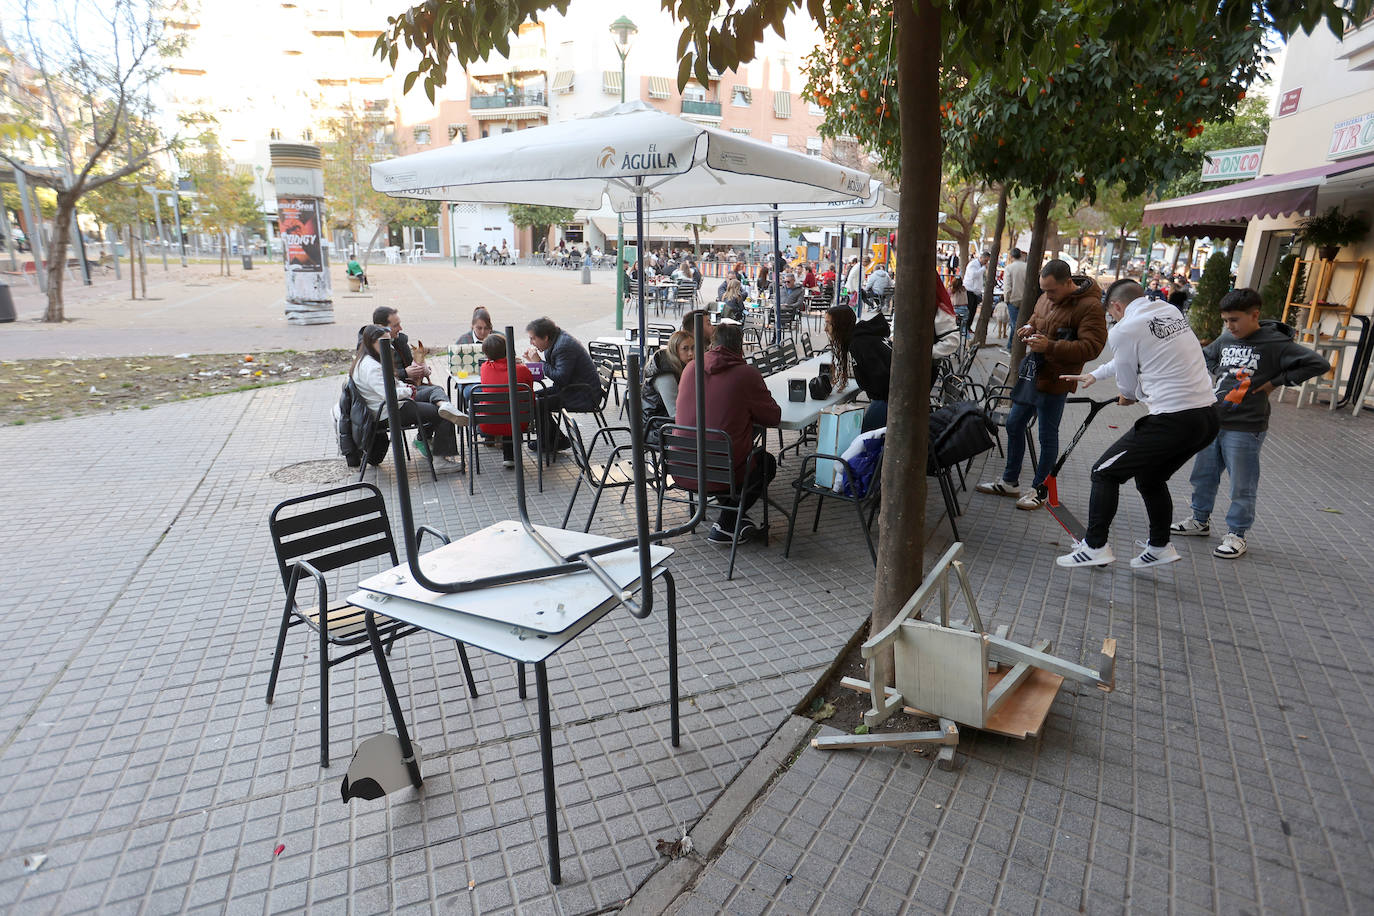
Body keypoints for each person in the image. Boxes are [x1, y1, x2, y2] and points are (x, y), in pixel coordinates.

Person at [1054, 280, 1220, 568]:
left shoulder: (1123, 329)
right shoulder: (1168, 311)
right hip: (1206, 417)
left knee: (1104, 472)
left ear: (1116, 306)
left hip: (1173, 418)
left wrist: (1127, 396)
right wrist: (1096, 374)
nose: (1113, 320)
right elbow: (1139, 354)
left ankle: (1095, 547)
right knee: (1150, 478)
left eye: (1112, 314)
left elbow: (1127, 386)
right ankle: (1159, 547)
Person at [1170, 288, 1331, 559]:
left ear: (1254, 315)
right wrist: (1216, 373)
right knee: (1203, 476)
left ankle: (1237, 534)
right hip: (1213, 420)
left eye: (1234, 320)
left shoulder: (1275, 343)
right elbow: (1206, 356)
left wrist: (1275, 382)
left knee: (1242, 484)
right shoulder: (1225, 338)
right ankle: (1199, 520)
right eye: (1225, 320)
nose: (1229, 326)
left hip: (1246, 427)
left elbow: (1318, 364)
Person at [976, 259, 1108, 510]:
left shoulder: (1090, 306)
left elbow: (1092, 348)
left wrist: (1051, 346)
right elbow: (1038, 316)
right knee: (1014, 424)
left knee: (1047, 436)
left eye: (1052, 290)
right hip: (1033, 375)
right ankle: (1009, 481)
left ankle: (1040, 490)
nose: (1047, 295)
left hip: (1056, 380)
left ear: (1068, 283)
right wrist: (1028, 326)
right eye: (1044, 290)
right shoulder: (1046, 297)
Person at [674, 323, 781, 543]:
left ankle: (735, 521)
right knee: (766, 462)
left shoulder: (691, 368)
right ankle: (728, 522)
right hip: (720, 473)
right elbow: (773, 417)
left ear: (712, 344)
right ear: (740, 347)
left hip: (680, 466)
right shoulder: (746, 374)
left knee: (728, 453)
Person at [351, 324, 465, 460]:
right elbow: (389, 394)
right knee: (442, 415)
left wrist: (405, 387)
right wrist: (408, 390)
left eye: (390, 342)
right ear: (372, 342)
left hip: (394, 403)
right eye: (385, 343)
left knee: (435, 390)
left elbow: (392, 385)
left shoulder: (368, 359)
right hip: (390, 411)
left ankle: (445, 405)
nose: (391, 347)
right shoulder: (371, 367)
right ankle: (441, 459)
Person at [826, 304, 892, 432]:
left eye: (828, 324)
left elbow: (880, 376)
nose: (825, 328)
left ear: (840, 325)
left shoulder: (859, 344)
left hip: (888, 399)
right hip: (889, 397)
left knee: (865, 438)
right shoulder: (864, 338)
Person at [478, 332, 535, 467]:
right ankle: (510, 456)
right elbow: (530, 395)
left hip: (488, 423)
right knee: (513, 410)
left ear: (486, 354)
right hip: (519, 423)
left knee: (503, 409)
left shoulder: (484, 368)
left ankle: (491, 442)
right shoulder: (522, 370)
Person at [371, 306, 447, 407]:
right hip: (396, 399)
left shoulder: (400, 341)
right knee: (437, 401)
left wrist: (422, 370)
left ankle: (446, 410)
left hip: (406, 390)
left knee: (438, 394)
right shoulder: (373, 349)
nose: (400, 328)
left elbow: (411, 365)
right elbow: (382, 380)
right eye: (396, 325)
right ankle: (447, 410)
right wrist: (405, 373)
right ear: (381, 327)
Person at [524, 317, 601, 413]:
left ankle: (550, 429)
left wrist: (539, 362)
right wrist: (534, 362)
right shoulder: (554, 339)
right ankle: (550, 428)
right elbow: (555, 371)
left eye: (533, 339)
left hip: (582, 396)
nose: (531, 343)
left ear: (545, 337)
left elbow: (560, 378)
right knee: (528, 399)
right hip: (570, 389)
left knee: (533, 404)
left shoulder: (564, 346)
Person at [642, 330, 695, 430]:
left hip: (666, 423)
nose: (691, 353)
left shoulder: (682, 366)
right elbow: (675, 412)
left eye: (693, 348)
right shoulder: (665, 375)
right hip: (657, 429)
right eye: (685, 349)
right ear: (675, 350)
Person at [1002, 248, 1027, 333]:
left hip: (1013, 299)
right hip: (1025, 299)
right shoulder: (1027, 267)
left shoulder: (1009, 268)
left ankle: (1011, 345)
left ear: (1011, 257)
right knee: (1023, 324)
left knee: (1014, 324)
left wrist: (1006, 299)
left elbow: (1007, 286)